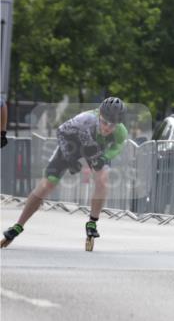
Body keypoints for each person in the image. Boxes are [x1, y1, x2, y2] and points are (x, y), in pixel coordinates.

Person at [1, 97, 128, 249]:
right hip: (71, 144)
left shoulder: (121, 131)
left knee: (102, 178)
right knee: (48, 184)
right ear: (99, 114)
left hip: (95, 149)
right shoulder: (85, 119)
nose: (107, 128)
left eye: (112, 125)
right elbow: (60, 131)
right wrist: (69, 158)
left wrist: (105, 157)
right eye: (104, 122)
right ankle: (18, 225)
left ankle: (92, 223)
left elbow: (117, 147)